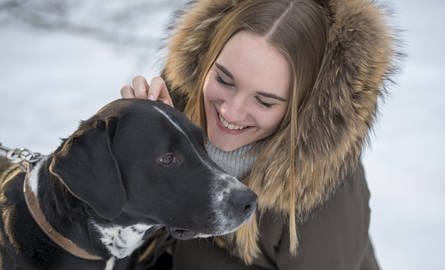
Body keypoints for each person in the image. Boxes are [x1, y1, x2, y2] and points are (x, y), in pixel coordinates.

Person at [121, 0, 396, 269]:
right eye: (223, 80)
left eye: (264, 102)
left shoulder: (324, 198)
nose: (231, 112)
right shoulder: (177, 114)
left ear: (301, 109)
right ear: (205, 61)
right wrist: (149, 146)